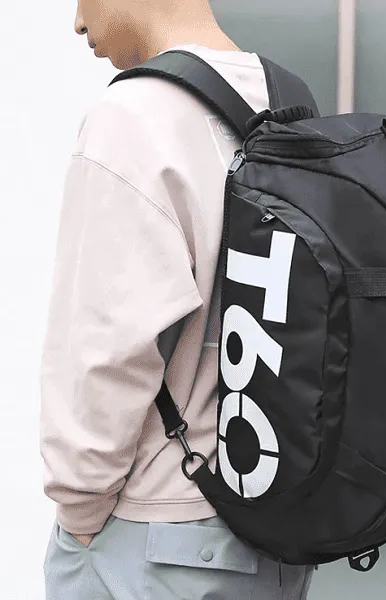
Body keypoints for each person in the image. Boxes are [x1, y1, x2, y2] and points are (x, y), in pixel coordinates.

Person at [40, 1, 315, 598]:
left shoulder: (131, 116)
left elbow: (106, 352)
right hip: (272, 538)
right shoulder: (288, 103)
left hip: (154, 538)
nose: (78, 22)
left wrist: (79, 510)